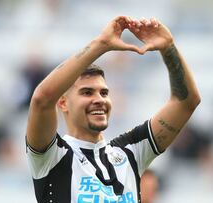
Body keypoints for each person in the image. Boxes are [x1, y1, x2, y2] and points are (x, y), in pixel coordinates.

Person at [26, 15, 200, 203]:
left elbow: (186, 102)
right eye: (87, 92)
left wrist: (168, 48)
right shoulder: (52, 157)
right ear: (63, 103)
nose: (99, 99)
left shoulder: (130, 152)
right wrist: (101, 44)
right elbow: (42, 99)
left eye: (104, 92)